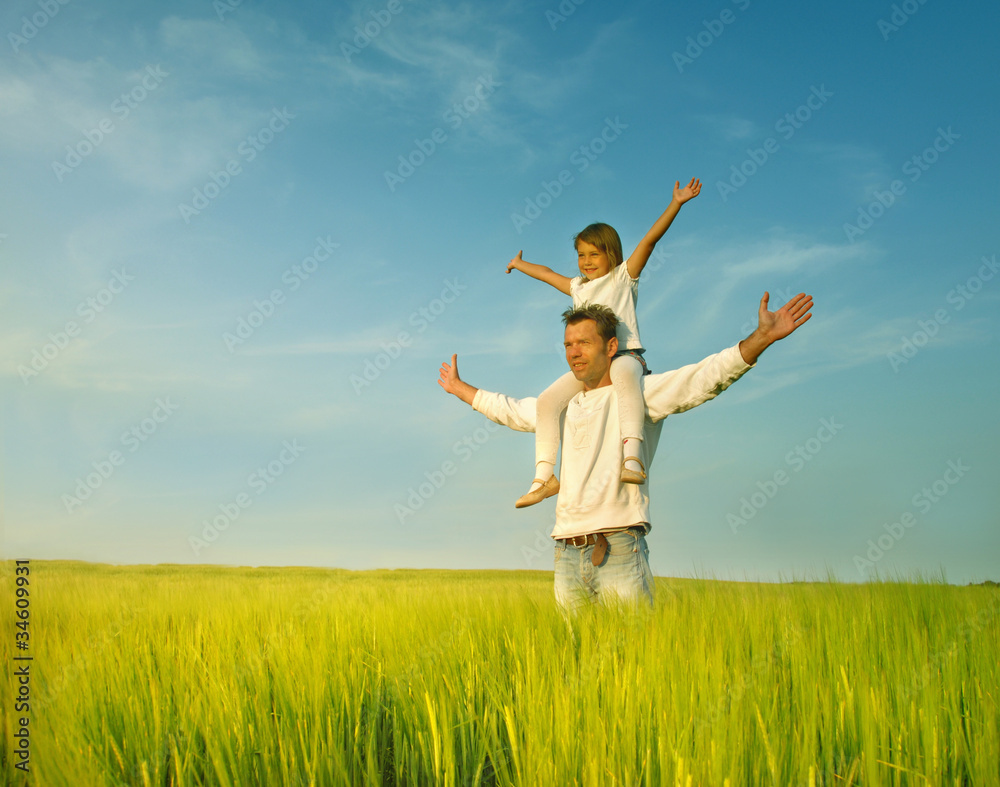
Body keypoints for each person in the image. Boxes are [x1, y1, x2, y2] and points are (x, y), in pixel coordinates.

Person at [437, 292, 813, 609]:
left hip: (619, 546)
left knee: (633, 655)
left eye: (584, 342)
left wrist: (760, 339)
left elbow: (702, 379)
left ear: (611, 346)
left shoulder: (639, 393)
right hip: (566, 550)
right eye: (568, 344)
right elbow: (512, 410)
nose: (574, 352)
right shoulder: (561, 405)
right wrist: (461, 389)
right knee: (576, 657)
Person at [505, 178, 702, 509]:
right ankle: (543, 476)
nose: (586, 261)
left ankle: (631, 458)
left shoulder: (623, 277)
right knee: (548, 401)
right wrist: (519, 264)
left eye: (594, 254)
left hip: (625, 357)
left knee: (626, 381)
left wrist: (676, 204)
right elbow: (546, 273)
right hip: (592, 368)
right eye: (581, 255)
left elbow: (650, 241)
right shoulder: (578, 288)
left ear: (612, 254)